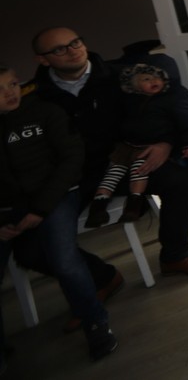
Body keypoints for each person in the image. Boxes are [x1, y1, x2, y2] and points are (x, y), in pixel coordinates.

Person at [30, 28, 188, 284]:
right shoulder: (35, 98)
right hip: (70, 177)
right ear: (43, 59)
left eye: (75, 42)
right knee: (31, 241)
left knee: (177, 179)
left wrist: (166, 142)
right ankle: (102, 278)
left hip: (123, 159)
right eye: (60, 49)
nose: (72, 51)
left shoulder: (122, 77)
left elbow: (168, 106)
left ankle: (176, 256)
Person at [0, 64, 118, 368]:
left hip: (56, 196)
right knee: (30, 254)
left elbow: (71, 160)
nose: (9, 93)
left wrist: (40, 209)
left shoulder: (45, 112)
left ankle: (96, 323)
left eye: (12, 84)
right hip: (7, 209)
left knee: (64, 260)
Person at [84, 62, 188, 229]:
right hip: (126, 147)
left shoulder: (170, 98)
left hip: (147, 149)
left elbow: (187, 122)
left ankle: (134, 205)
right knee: (112, 175)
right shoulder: (128, 102)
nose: (154, 81)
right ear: (135, 86)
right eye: (146, 79)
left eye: (157, 78)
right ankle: (98, 207)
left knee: (140, 172)